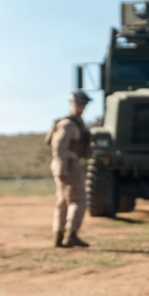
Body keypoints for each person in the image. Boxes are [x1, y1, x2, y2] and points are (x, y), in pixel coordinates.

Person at [48, 90, 92, 248]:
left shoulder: (78, 124)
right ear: (72, 104)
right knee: (77, 200)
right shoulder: (68, 124)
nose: (81, 107)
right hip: (68, 164)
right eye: (78, 103)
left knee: (64, 200)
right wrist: (61, 168)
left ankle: (60, 236)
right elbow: (58, 147)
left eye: (83, 104)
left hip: (68, 164)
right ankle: (70, 234)